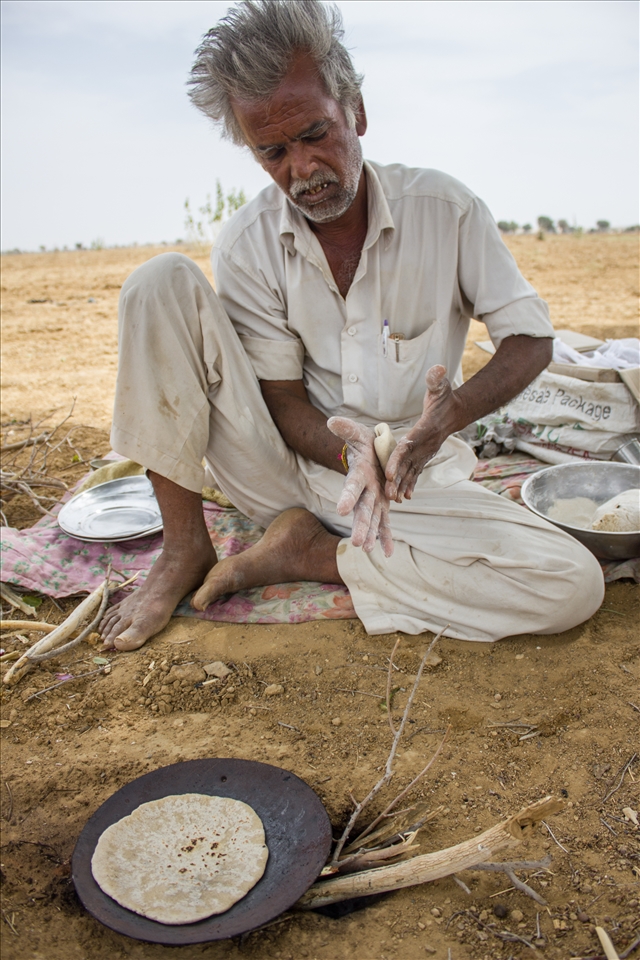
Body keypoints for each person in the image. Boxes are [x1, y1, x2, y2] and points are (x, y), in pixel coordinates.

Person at [100, 0, 604, 651]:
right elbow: (281, 399)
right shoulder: (247, 243)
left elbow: (530, 339)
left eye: (315, 134)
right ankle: (184, 547)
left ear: (356, 111)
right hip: (283, 473)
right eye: (273, 152)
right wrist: (350, 451)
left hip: (410, 481)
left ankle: (311, 555)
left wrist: (444, 420)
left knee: (570, 584)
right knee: (158, 280)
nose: (303, 169)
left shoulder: (446, 211)